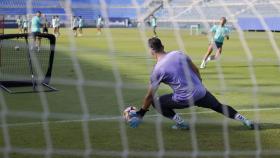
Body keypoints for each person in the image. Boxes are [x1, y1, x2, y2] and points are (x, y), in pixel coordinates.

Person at [128, 37, 257, 130]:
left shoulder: (158, 70)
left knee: (156, 102)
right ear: (163, 46)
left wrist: (141, 113)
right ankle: (245, 120)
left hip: (184, 98)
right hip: (201, 92)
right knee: (218, 106)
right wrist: (199, 85)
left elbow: (149, 97)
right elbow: (195, 70)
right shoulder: (178, 53)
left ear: (151, 51)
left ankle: (181, 124)